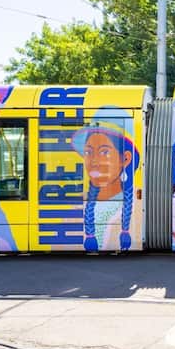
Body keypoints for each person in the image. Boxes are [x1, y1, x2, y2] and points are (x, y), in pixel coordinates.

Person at [72, 107, 138, 251]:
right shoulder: (74, 206)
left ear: (125, 158)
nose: (94, 161)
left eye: (104, 152)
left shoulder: (138, 208)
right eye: (88, 152)